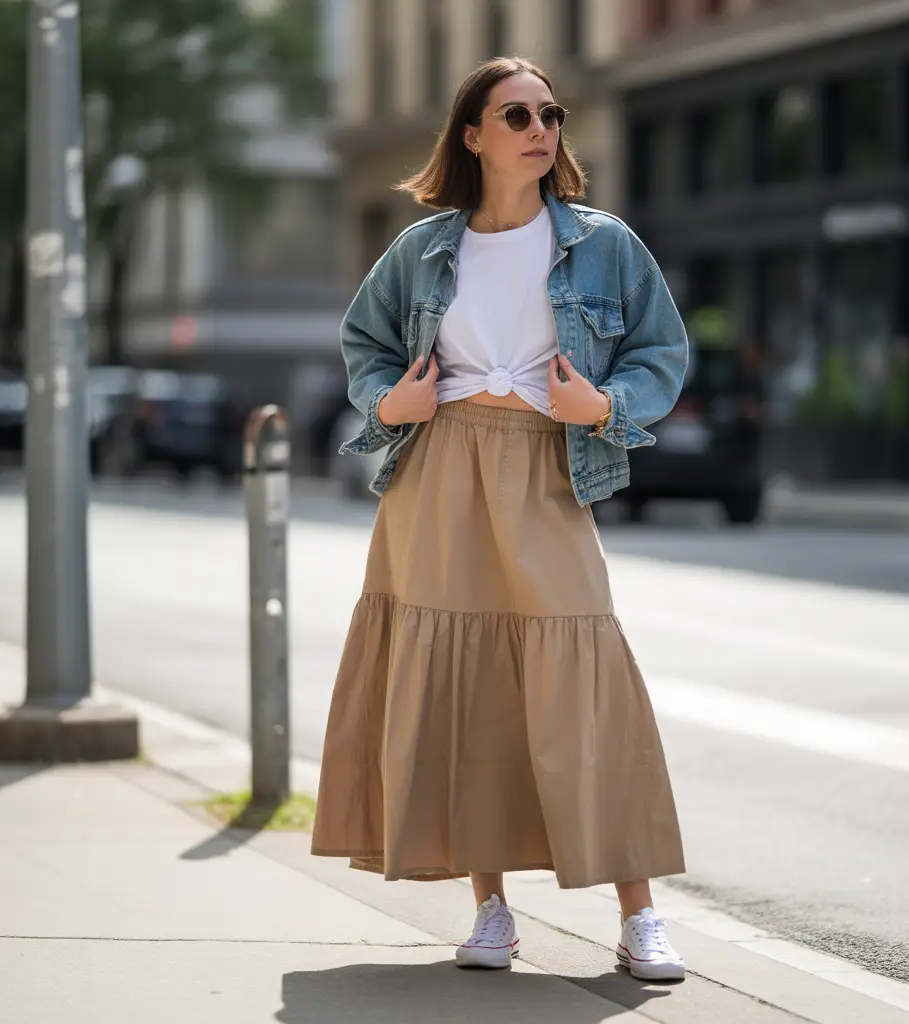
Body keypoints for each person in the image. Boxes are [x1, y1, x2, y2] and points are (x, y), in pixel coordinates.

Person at [312, 57, 689, 982]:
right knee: (462, 681)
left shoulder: (604, 245)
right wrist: (386, 406)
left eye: (550, 113)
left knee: (582, 666)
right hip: (438, 467)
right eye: (515, 113)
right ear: (473, 135)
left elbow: (662, 351)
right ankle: (489, 908)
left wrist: (602, 408)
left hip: (547, 465)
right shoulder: (423, 249)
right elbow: (365, 343)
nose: (539, 128)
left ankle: (639, 913)